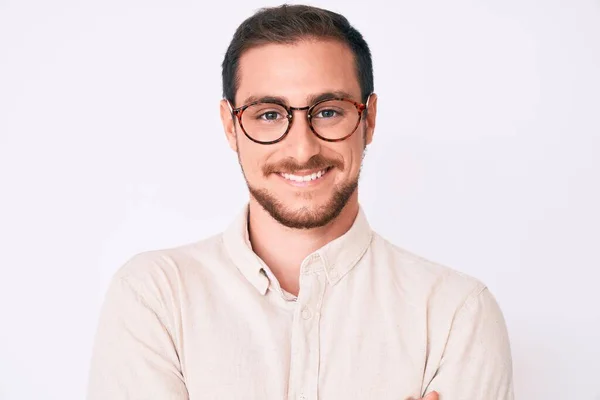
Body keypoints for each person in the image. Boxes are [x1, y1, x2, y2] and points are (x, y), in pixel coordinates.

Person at [86, 4, 514, 400]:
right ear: (230, 126)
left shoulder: (456, 315)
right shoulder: (155, 297)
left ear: (369, 118)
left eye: (328, 110)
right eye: (269, 114)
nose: (302, 148)